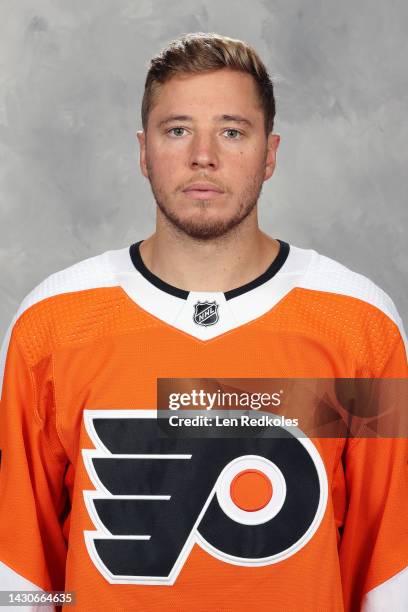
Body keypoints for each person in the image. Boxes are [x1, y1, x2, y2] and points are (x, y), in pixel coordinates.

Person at [0, 32, 406, 612]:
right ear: (144, 151)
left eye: (233, 131)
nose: (203, 156)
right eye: (178, 129)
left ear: (270, 154)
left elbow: (389, 572)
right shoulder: (53, 321)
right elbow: (20, 573)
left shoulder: (361, 324)